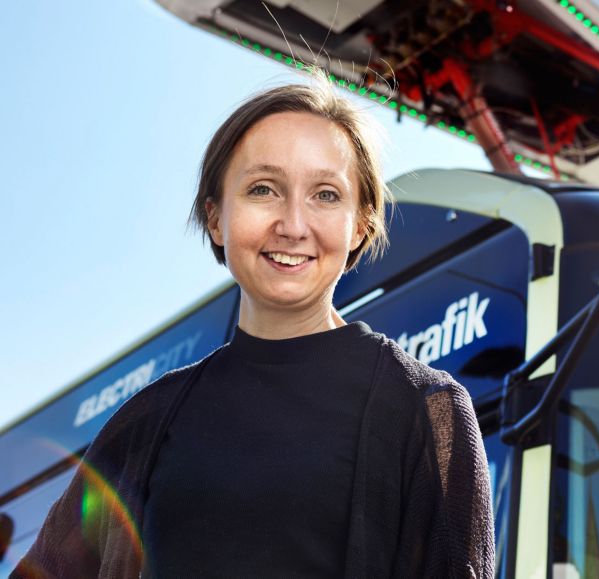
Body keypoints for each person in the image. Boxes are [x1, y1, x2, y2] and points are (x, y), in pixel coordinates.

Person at [12, 72, 495, 578]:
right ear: (216, 217)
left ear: (362, 225)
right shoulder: (144, 422)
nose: (292, 224)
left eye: (326, 195)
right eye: (263, 189)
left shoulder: (426, 410)